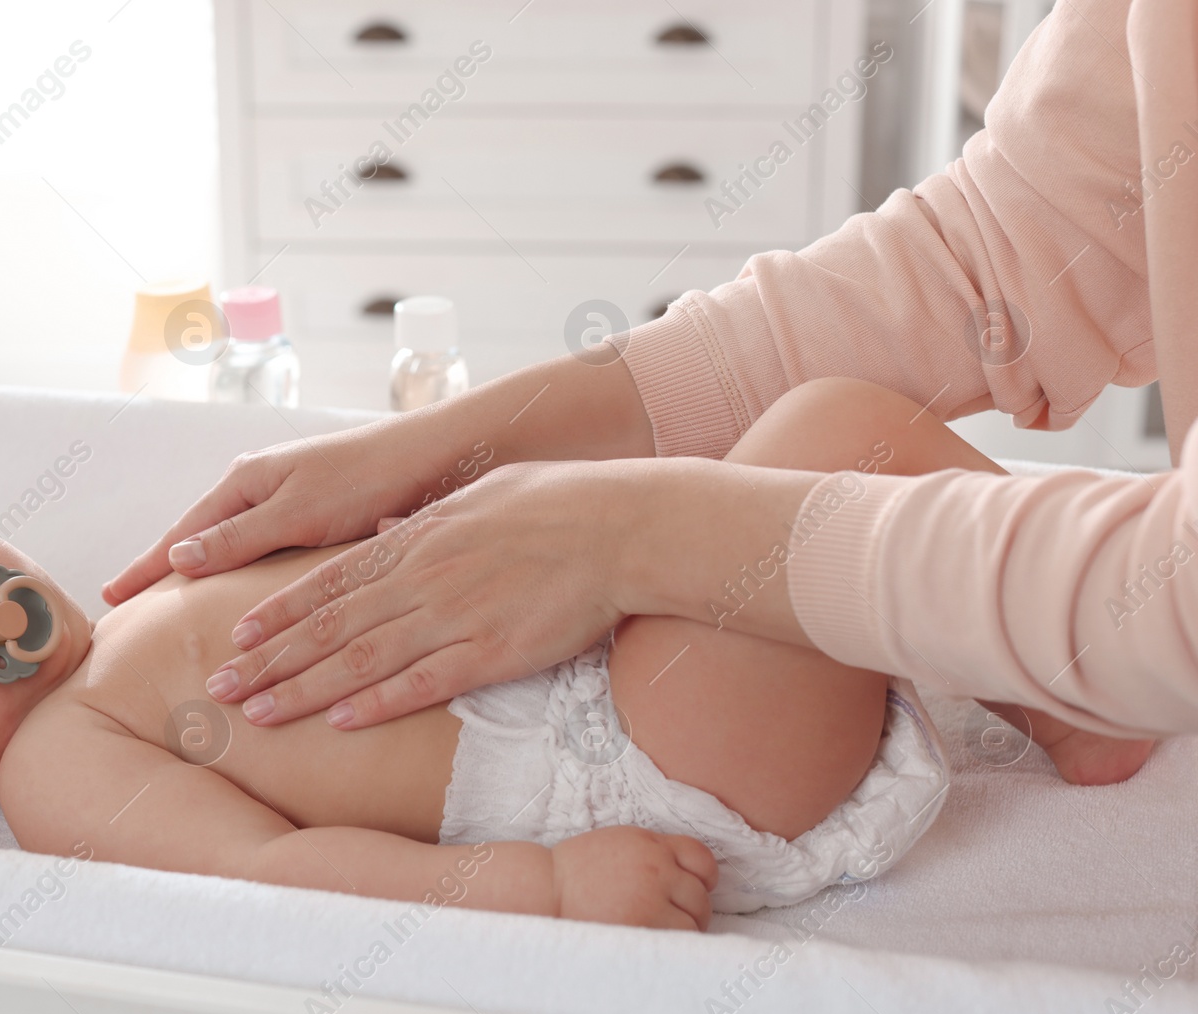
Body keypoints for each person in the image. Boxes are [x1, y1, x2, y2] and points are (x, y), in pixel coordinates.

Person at [0, 378, 1115, 929]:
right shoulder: (61, 759)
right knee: (830, 436)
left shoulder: (147, 597)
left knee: (826, 447)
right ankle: (1075, 673)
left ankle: (1040, 662)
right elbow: (277, 881)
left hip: (626, 672)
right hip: (645, 774)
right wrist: (538, 885)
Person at [104, 0, 1198, 746]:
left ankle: (1059, 690)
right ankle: (1055, 699)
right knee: (830, 422)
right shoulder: (75, 734)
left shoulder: (82, 741)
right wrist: (454, 439)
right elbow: (1004, 251)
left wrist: (627, 535)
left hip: (650, 747)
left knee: (730, 589)